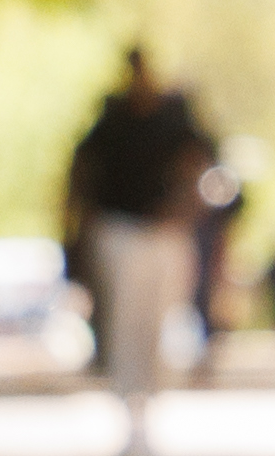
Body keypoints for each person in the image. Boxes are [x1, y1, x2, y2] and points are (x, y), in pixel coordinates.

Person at [58, 53, 215, 403]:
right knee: (125, 315)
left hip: (164, 232)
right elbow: (82, 171)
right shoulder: (111, 120)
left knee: (159, 315)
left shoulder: (176, 120)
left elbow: (204, 162)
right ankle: (128, 391)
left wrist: (185, 208)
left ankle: (152, 389)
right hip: (120, 229)